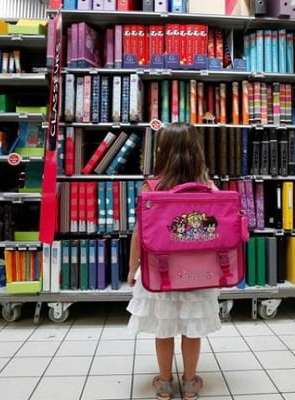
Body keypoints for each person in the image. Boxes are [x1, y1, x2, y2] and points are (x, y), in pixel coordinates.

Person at [126, 123, 222, 400]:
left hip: (160, 271)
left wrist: (133, 269)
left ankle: (165, 383)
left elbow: (138, 234)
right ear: (197, 152)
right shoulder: (208, 188)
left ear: (163, 152)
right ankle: (190, 383)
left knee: (163, 328)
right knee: (192, 330)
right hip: (199, 271)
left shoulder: (151, 187)